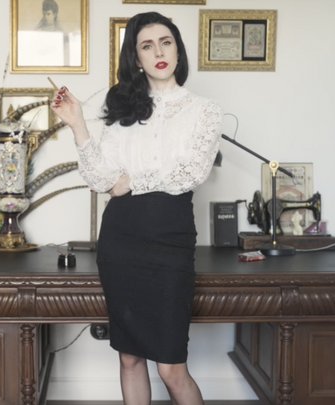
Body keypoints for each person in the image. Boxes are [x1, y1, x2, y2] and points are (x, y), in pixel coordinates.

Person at [51, 11, 222, 405]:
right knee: (129, 357)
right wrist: (78, 125)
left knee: (171, 368)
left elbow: (191, 172)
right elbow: (100, 179)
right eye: (147, 46)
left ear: (177, 50)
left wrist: (132, 182)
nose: (158, 52)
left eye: (166, 42)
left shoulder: (204, 110)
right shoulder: (123, 110)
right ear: (137, 58)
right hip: (121, 240)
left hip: (170, 240)